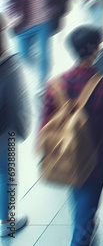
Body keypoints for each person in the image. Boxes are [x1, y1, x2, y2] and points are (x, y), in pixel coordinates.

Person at [40, 26, 103, 246]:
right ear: (96, 49)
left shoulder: (55, 85)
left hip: (66, 156)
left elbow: (44, 126)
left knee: (78, 199)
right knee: (85, 218)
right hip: (94, 159)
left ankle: (84, 227)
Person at [7, 0, 63, 87]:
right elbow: (11, 0)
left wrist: (54, 9)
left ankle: (42, 84)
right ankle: (39, 70)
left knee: (44, 54)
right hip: (25, 24)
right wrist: (15, 15)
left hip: (44, 22)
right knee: (22, 55)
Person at [0, 15, 31, 238]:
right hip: (4, 131)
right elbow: (17, 100)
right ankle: (6, 222)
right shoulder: (8, 63)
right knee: (6, 174)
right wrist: (22, 128)